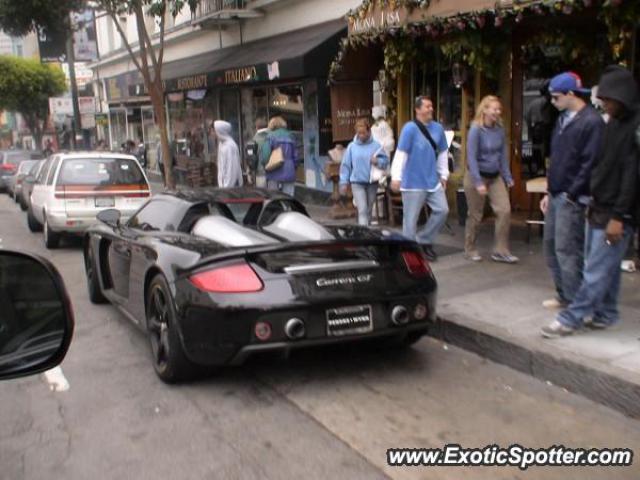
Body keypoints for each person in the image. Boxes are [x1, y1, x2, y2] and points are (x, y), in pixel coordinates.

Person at [542, 65, 639, 338]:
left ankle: (571, 317)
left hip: (617, 214)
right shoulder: (612, 123)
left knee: (596, 267)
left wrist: (619, 217)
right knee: (606, 267)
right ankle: (606, 313)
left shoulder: (633, 128)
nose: (603, 105)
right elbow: (600, 166)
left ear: (621, 97)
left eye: (607, 100)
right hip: (598, 206)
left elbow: (632, 177)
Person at [539, 72, 604, 310]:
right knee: (551, 247)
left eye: (556, 97)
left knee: (568, 250)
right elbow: (556, 159)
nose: (553, 102)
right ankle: (564, 295)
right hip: (557, 193)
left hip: (572, 196)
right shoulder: (563, 120)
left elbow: (590, 163)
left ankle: (577, 303)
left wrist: (572, 193)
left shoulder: (591, 121)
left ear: (570, 94)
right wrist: (549, 191)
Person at [390, 95, 449, 261]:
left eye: (431, 106)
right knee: (410, 221)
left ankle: (424, 240)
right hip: (413, 183)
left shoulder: (438, 129)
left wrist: (443, 174)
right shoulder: (409, 129)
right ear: (417, 110)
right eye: (427, 106)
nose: (431, 109)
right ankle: (409, 252)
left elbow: (443, 152)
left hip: (432, 181)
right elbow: (401, 153)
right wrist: (396, 177)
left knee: (442, 210)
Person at [463, 95, 518, 263]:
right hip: (475, 175)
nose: (497, 112)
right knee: (476, 214)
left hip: (494, 176)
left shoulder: (499, 129)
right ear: (485, 110)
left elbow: (502, 155)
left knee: (504, 210)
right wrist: (478, 182)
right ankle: (470, 248)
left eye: (499, 109)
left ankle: (500, 250)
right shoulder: (476, 130)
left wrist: (507, 176)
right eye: (494, 109)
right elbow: (471, 157)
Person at [339, 117, 389, 226]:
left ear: (369, 131)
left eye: (363, 133)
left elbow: (385, 161)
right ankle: (363, 233)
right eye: (359, 133)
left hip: (372, 183)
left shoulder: (376, 146)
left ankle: (367, 231)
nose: (361, 135)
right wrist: (343, 182)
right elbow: (346, 165)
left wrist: (377, 161)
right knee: (362, 210)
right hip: (357, 183)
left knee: (369, 210)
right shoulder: (352, 147)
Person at [260, 116, 298, 196]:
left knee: (273, 197)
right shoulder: (291, 136)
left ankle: (277, 208)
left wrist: (265, 165)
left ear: (272, 125)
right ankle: (287, 208)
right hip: (289, 170)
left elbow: (265, 156)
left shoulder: (270, 137)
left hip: (274, 171)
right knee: (288, 197)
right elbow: (296, 156)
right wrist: (293, 167)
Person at [215, 120, 243, 188]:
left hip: (230, 187)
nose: (213, 133)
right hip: (224, 185)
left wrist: (227, 187)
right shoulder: (221, 144)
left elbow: (231, 169)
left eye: (214, 130)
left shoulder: (230, 146)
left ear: (220, 131)